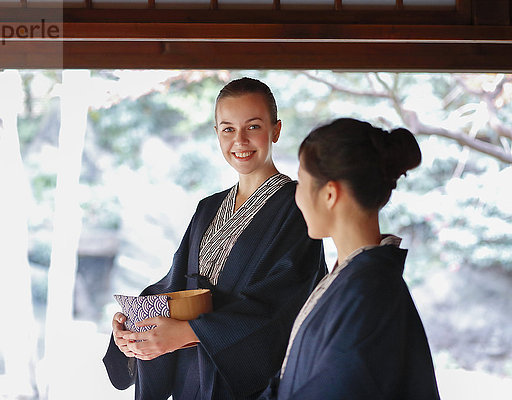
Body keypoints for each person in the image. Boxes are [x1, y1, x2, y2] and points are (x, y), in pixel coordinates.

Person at [102, 77, 327, 400]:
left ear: (276, 130)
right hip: (190, 373)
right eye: (228, 129)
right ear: (217, 134)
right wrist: (135, 327)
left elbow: (282, 305)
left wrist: (188, 332)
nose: (240, 140)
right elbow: (174, 285)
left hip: (245, 383)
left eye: (253, 127)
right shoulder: (208, 208)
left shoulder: (297, 206)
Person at [262, 118, 440, 399]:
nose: (296, 196)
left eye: (301, 183)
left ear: (330, 194)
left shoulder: (370, 294)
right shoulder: (357, 278)